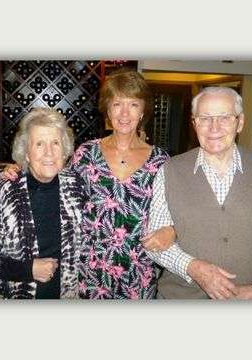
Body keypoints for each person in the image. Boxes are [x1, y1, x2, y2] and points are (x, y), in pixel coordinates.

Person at [144, 86, 252, 300]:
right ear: (194, 124)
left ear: (239, 122)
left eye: (224, 117)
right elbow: (154, 244)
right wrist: (193, 268)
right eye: (204, 118)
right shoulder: (170, 171)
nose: (214, 128)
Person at [70, 69, 174, 299]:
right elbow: (60, 195)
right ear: (108, 109)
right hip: (90, 271)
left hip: (139, 273)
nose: (124, 113)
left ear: (143, 110)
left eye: (133, 104)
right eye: (117, 104)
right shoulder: (85, 153)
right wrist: (21, 171)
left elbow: (178, 213)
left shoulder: (161, 161)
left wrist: (172, 231)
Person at [0, 108, 84, 299]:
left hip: (66, 296)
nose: (49, 152)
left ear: (64, 151)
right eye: (39, 144)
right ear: (26, 153)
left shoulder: (77, 186)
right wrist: (28, 269)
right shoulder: (5, 190)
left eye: (55, 143)